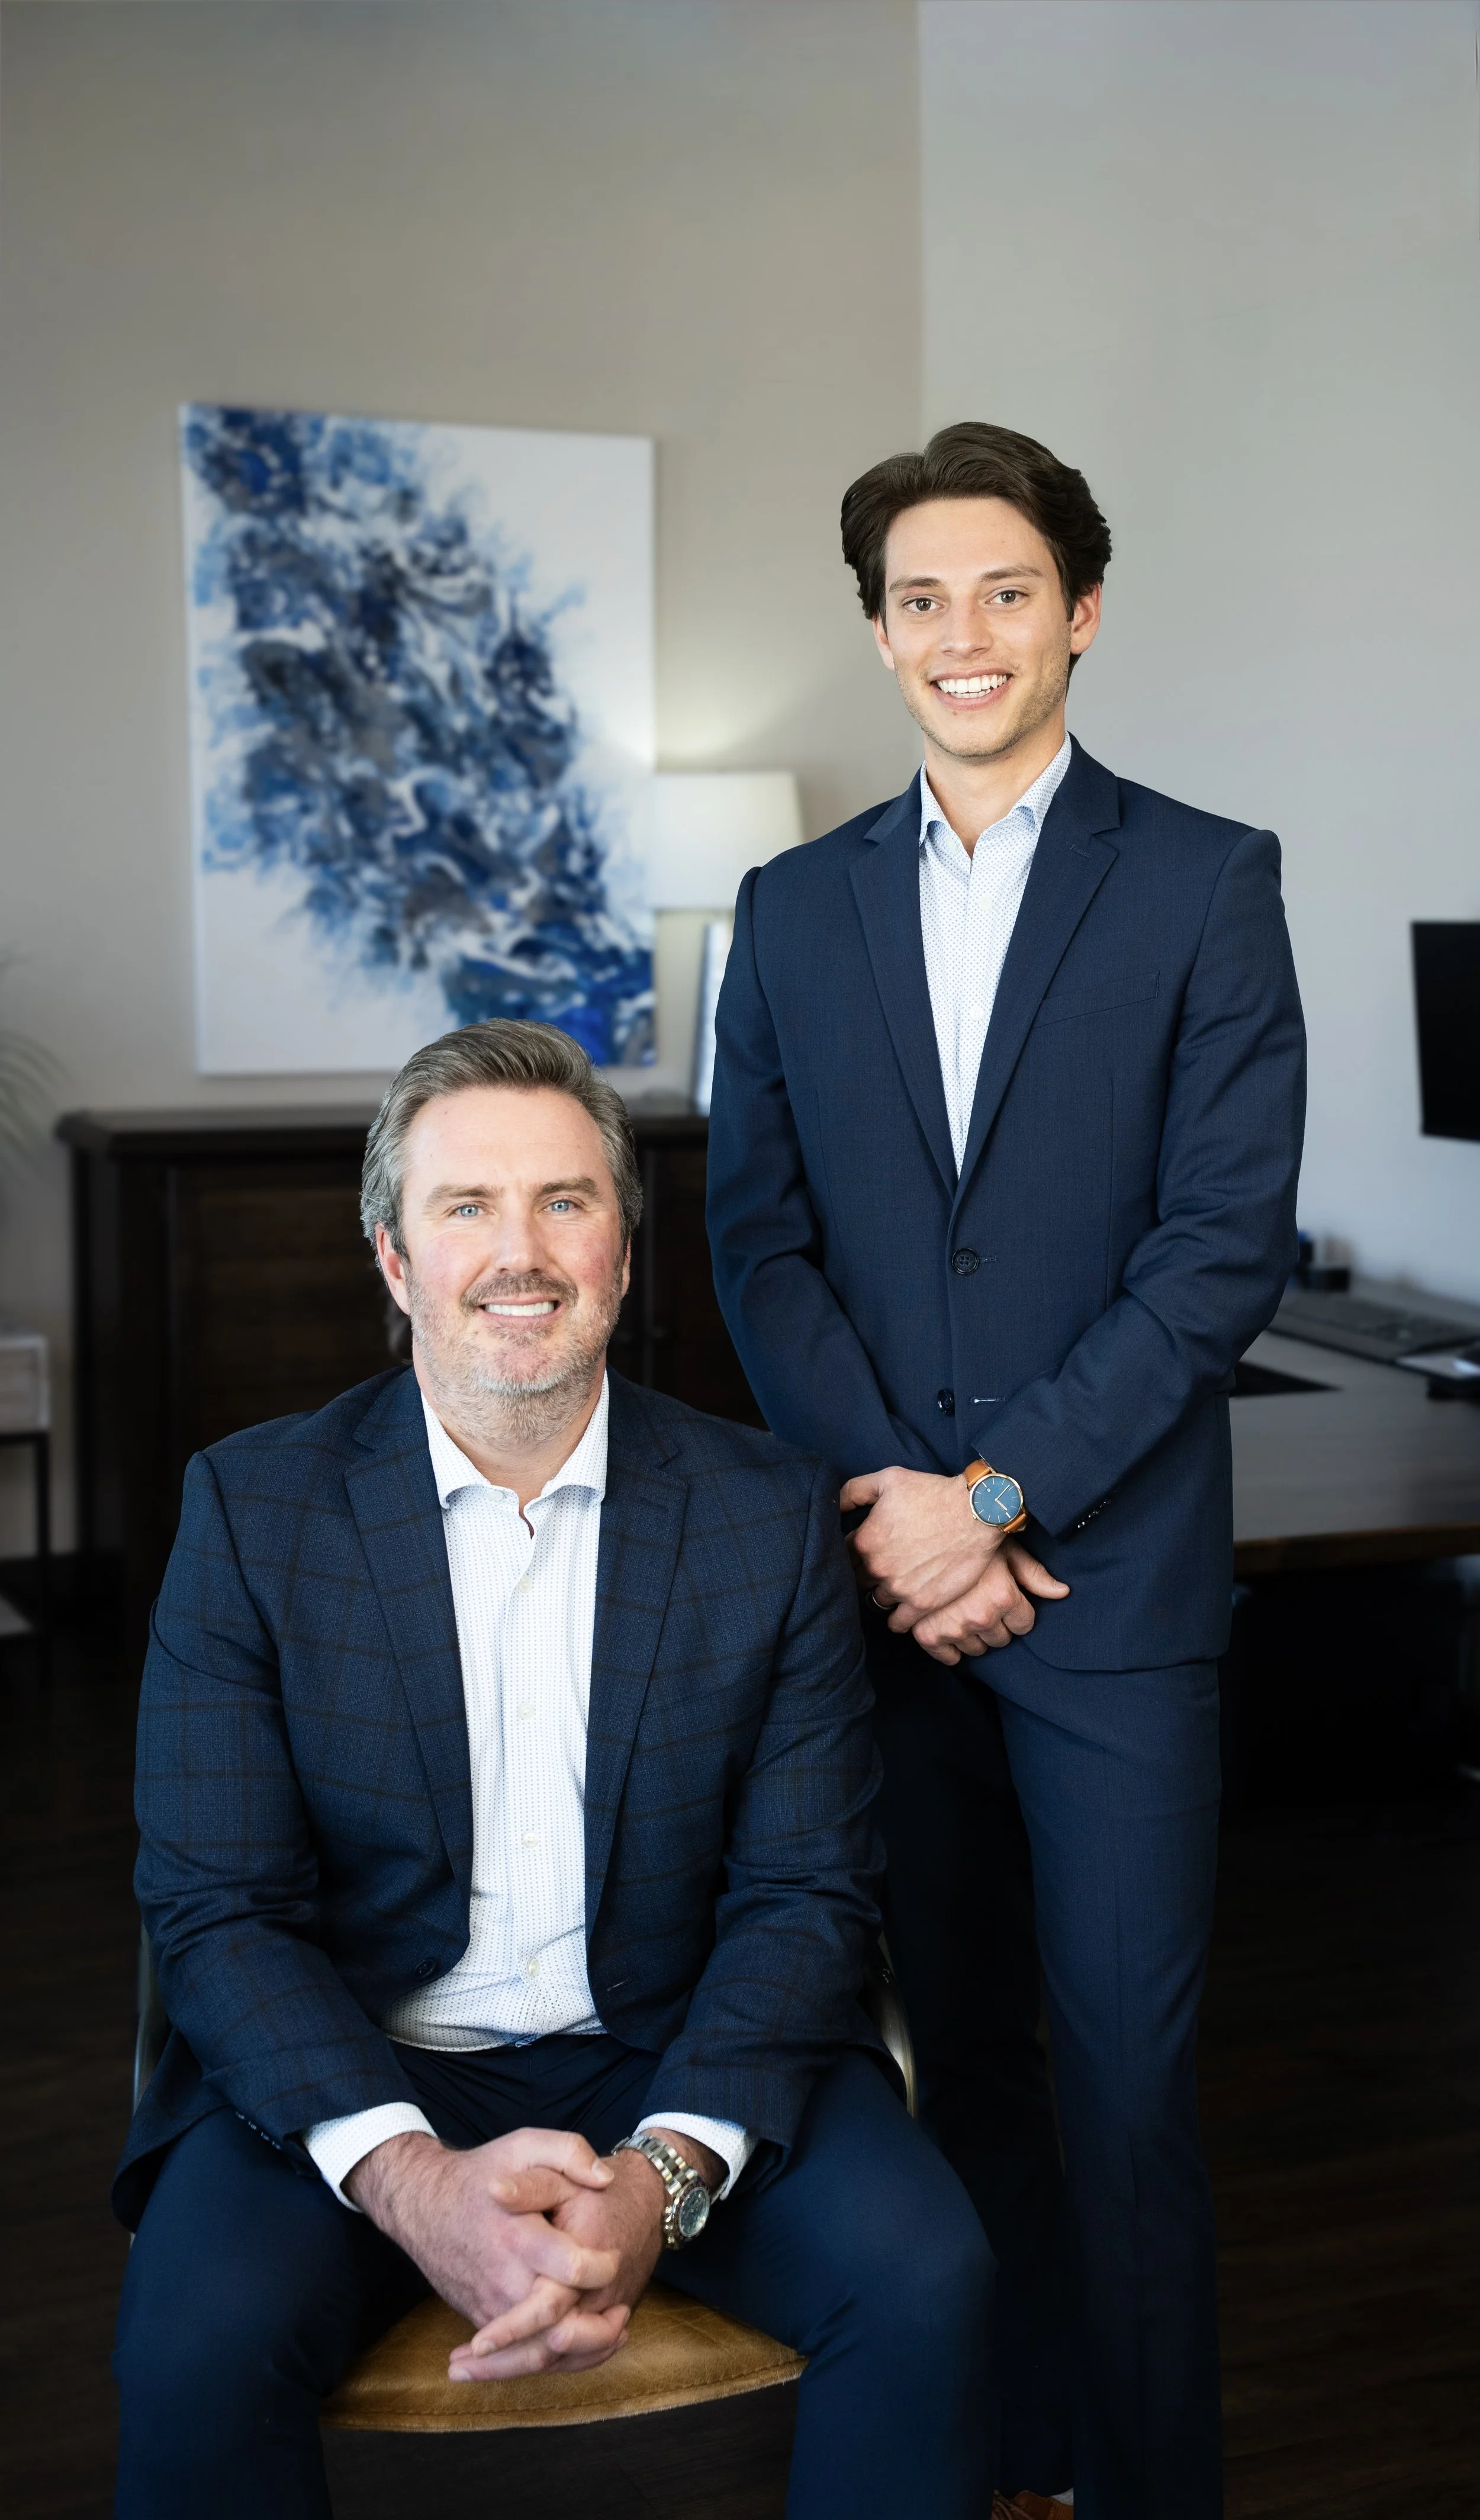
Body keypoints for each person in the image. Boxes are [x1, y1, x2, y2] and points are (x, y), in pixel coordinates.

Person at [111, 1018, 997, 2520]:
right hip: (357, 2060)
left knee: (929, 2283)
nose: (517, 1254)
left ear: (624, 1255)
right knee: (194, 2346)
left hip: (672, 2041)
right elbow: (219, 1912)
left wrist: (662, 2175)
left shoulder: (760, 1514)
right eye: (467, 1207)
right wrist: (409, 2177)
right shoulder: (251, 1512)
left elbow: (804, 1892)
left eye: (564, 1203)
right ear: (395, 1259)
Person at [706, 420, 1307, 2519]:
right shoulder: (785, 914)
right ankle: (1010, 2466)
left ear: (1085, 611)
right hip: (882, 1601)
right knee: (953, 2072)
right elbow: (756, 1245)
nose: (966, 633)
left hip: (1109, 1599)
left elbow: (1222, 1245)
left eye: (1008, 590)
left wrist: (1001, 1494)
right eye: (922, 599)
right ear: (879, 634)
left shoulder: (1210, 879)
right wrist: (898, 1499)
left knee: (1127, 2091)